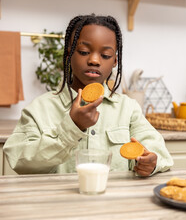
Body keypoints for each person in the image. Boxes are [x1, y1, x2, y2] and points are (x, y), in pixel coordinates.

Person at [4, 14, 173, 176]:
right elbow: (19, 161)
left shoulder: (128, 109)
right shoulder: (39, 109)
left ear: (114, 61)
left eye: (105, 55)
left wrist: (150, 162)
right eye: (84, 52)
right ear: (69, 54)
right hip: (57, 204)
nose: (94, 60)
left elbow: (157, 150)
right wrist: (72, 127)